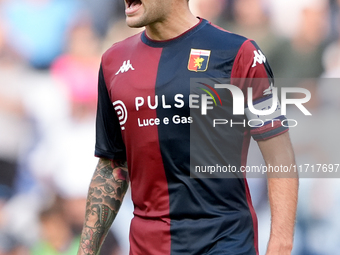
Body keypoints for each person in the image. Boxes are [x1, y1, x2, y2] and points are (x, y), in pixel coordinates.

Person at [77, 0, 299, 255]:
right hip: (148, 246)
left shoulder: (238, 52)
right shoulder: (113, 62)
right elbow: (112, 165)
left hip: (226, 241)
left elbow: (279, 153)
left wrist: (281, 244)